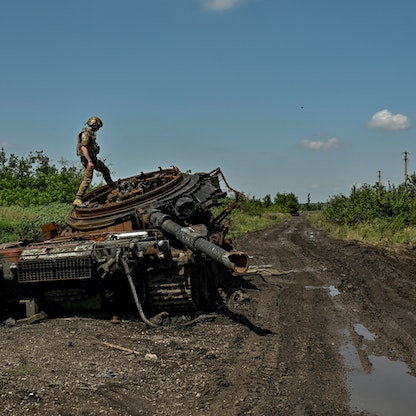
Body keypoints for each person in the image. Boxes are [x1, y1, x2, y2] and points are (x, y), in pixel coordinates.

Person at [73, 116, 115, 206]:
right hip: (88, 159)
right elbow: (83, 148)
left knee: (105, 170)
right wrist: (89, 161)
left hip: (93, 158)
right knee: (88, 179)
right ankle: (78, 198)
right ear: (94, 125)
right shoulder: (86, 134)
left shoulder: (91, 134)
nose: (98, 129)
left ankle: (112, 186)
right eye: (97, 127)